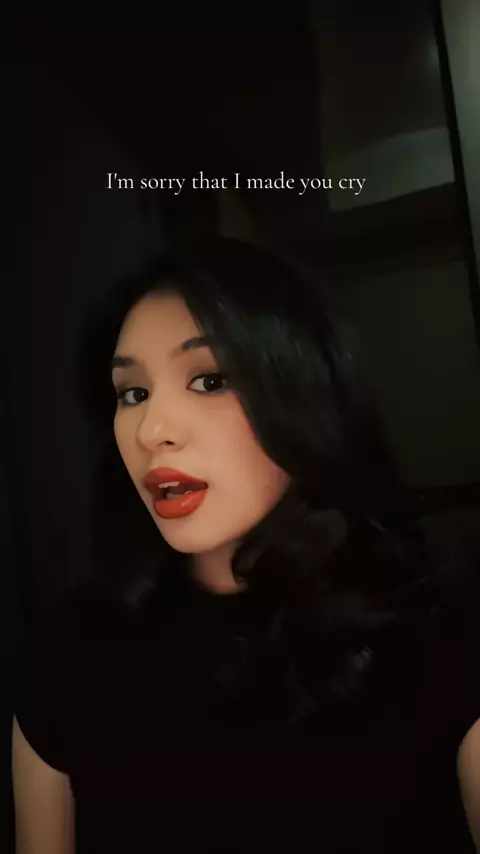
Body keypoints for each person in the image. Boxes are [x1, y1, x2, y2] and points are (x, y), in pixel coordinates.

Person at [12, 238, 480, 853]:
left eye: (209, 380)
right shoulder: (70, 660)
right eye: (133, 393)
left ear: (305, 397)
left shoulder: (438, 642)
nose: (153, 431)